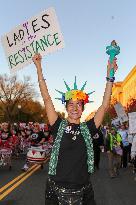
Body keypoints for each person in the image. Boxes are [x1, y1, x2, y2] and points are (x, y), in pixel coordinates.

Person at [33, 53, 118, 205]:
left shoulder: (89, 127)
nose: (74, 107)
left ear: (82, 109)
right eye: (70, 104)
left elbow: (104, 105)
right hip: (56, 190)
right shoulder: (57, 125)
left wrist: (110, 76)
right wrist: (39, 67)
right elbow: (46, 98)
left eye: (78, 104)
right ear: (66, 108)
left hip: (84, 191)